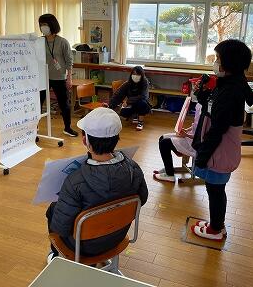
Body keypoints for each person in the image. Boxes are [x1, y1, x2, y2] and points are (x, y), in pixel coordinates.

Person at [46, 107, 148, 262]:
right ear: (116, 138)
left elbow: (61, 228)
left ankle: (55, 255)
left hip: (83, 248)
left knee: (53, 209)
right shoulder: (134, 168)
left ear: (85, 140)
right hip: (117, 237)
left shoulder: (74, 181)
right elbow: (143, 199)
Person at [190, 39, 253, 241]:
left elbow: (217, 129)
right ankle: (216, 224)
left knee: (215, 189)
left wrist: (202, 156)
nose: (215, 62)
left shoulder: (230, 91)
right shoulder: (231, 83)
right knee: (215, 188)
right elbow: (213, 108)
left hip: (220, 149)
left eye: (218, 58)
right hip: (221, 147)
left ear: (229, 62)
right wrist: (203, 95)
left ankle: (216, 230)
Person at [38, 13, 78, 137]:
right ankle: (35, 126)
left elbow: (69, 61)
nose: (43, 27)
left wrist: (69, 78)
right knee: (37, 103)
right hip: (42, 77)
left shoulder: (62, 42)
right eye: (41, 25)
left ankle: (67, 127)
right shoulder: (39, 41)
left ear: (52, 25)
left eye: (45, 24)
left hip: (59, 77)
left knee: (64, 104)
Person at [153, 103, 202, 183]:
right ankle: (169, 168)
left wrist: (187, 135)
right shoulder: (200, 104)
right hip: (191, 138)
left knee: (164, 143)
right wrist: (186, 130)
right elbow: (196, 124)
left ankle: (170, 175)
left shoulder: (207, 108)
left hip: (196, 144)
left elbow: (203, 134)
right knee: (162, 138)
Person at [108, 66, 151, 131]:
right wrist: (110, 105)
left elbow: (144, 96)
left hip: (142, 103)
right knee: (123, 113)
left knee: (142, 103)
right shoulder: (128, 83)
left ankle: (140, 122)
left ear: (141, 75)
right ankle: (135, 115)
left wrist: (128, 101)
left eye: (138, 74)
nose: (135, 76)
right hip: (131, 104)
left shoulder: (145, 82)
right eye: (134, 74)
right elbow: (118, 94)